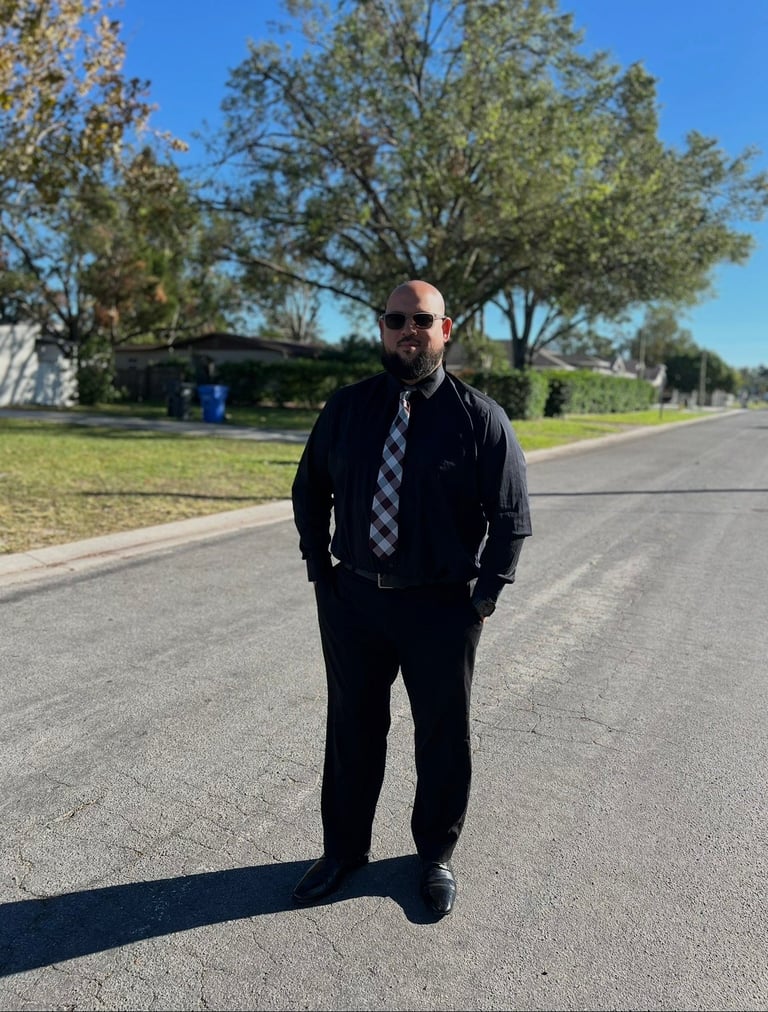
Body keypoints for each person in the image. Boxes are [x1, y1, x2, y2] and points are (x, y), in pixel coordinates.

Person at [290, 279, 532, 916]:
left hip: (443, 608)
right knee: (352, 728)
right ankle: (344, 851)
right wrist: (321, 573)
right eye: (396, 319)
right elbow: (310, 489)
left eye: (422, 320)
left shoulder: (480, 418)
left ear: (444, 330)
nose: (408, 331)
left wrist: (484, 599)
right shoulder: (347, 408)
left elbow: (511, 517)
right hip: (354, 601)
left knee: (443, 736)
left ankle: (435, 856)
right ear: (382, 328)